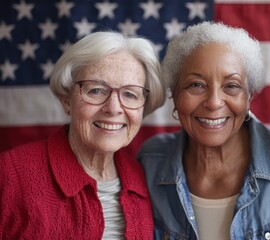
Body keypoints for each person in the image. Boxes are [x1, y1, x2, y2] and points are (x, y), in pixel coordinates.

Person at [137, 21, 270, 240]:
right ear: (174, 94)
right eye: (196, 85)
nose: (214, 103)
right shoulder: (149, 163)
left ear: (249, 96)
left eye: (231, 86)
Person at [0, 31, 166, 239]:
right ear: (67, 100)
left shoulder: (144, 178)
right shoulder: (9, 174)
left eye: (130, 94)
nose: (113, 108)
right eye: (96, 90)